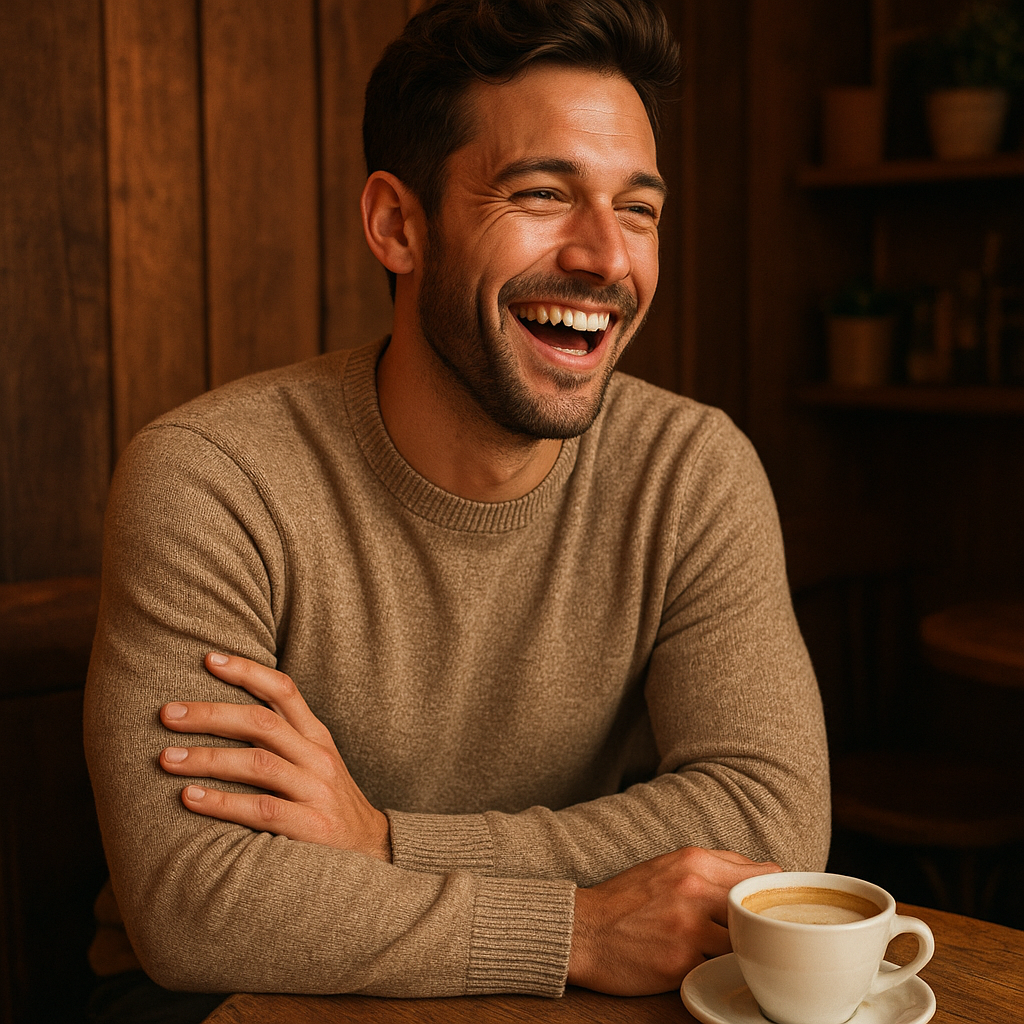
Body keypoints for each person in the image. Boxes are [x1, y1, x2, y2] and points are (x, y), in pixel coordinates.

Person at [84, 0, 830, 1017]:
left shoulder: (691, 471)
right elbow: (197, 902)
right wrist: (581, 925)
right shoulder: (213, 477)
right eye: (540, 193)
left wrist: (389, 840)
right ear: (399, 224)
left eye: (639, 209)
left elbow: (768, 821)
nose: (606, 257)